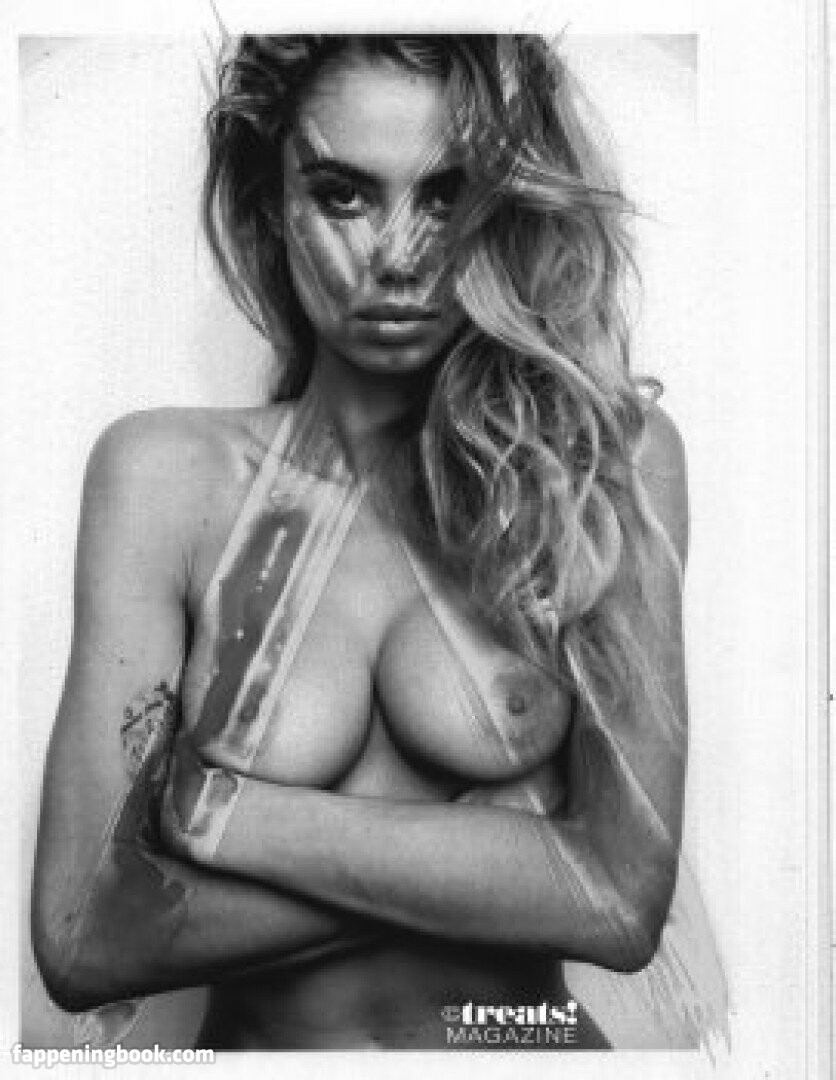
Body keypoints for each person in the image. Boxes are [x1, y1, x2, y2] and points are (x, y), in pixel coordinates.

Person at [31, 33, 716, 1050]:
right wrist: (508, 860)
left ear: (504, 210)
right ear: (272, 205)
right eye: (342, 195)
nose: (395, 256)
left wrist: (231, 817)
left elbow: (621, 907)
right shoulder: (166, 476)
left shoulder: (594, 469)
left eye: (445, 197)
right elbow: (86, 938)